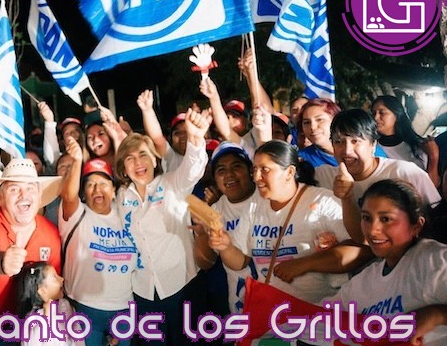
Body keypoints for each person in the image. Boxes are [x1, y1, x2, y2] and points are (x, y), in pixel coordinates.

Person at [206, 140, 372, 305]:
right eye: (255, 169)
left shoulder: (321, 201)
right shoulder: (254, 206)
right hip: (272, 313)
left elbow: (364, 249)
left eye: (265, 170)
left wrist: (304, 264)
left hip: (316, 313)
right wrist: (225, 246)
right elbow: (241, 262)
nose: (256, 177)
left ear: (290, 172)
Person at [114, 108, 209, 345]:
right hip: (143, 291)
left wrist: (197, 139)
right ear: (123, 167)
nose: (138, 163)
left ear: (155, 159)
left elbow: (193, 168)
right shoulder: (121, 196)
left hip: (182, 285)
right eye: (130, 158)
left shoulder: (171, 183)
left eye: (143, 155)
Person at [329, 179, 447, 345]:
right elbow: (316, 318)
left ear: (416, 225)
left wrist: (438, 314)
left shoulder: (438, 262)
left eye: (386, 219)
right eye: (366, 218)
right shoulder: (362, 283)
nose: (373, 230)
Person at [0, 158, 63, 346]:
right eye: (14, 189)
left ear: (40, 195)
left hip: (22, 334)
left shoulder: (51, 233)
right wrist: (2, 262)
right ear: (0, 198)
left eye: (30, 188)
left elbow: (52, 288)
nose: (24, 195)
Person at [314, 109, 442, 242]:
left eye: (355, 141)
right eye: (339, 142)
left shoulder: (404, 172)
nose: (347, 150)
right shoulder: (324, 175)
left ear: (373, 144)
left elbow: (436, 214)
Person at [60, 138, 135, 346]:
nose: (97, 189)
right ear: (84, 192)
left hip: (123, 309)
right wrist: (77, 161)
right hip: (84, 308)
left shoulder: (127, 214)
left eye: (103, 183)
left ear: (113, 189)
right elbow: (68, 196)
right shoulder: (76, 215)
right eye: (90, 184)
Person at [193, 141, 255, 314]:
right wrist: (202, 236)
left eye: (236, 166)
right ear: (215, 178)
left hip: (278, 299)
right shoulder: (215, 210)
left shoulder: (267, 199)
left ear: (250, 170)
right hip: (240, 306)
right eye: (221, 170)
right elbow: (205, 263)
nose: (229, 174)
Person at [371, 95, 440, 186]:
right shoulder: (372, 150)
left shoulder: (419, 145)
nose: (376, 118)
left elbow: (432, 186)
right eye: (373, 113)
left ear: (396, 114)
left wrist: (433, 157)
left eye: (382, 113)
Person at [15, 261, 85, 346]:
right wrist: (46, 317)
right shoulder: (33, 319)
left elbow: (77, 335)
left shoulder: (65, 306)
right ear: (42, 291)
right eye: (55, 278)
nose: (62, 279)